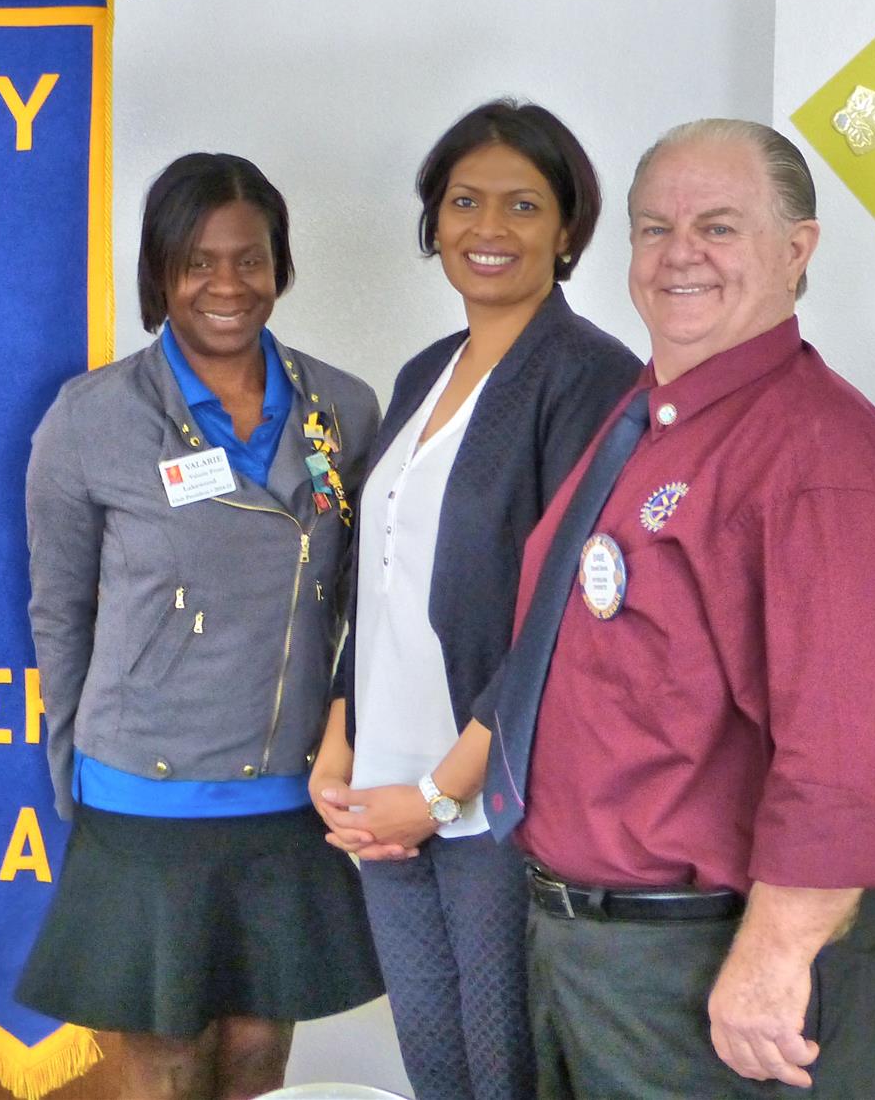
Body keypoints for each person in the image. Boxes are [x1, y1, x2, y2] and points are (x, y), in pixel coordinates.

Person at [497, 119, 875, 1099]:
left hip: (718, 967)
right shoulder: (650, 423)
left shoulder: (822, 457)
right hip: (598, 957)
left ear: (798, 248)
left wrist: (775, 958)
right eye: (655, 228)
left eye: (720, 227)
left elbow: (851, 749)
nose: (679, 254)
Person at [19, 152, 385, 1100]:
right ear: (160, 273)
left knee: (259, 1054)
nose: (228, 285)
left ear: (280, 266)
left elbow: (368, 602)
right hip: (145, 795)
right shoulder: (91, 419)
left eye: (250, 259)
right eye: (198, 263)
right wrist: (73, 766)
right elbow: (59, 611)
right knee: (169, 1059)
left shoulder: (344, 409)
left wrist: (347, 742)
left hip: (288, 792)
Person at [310, 101, 640, 1100]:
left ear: (569, 229)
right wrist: (340, 741)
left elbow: (563, 620)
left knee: (506, 1072)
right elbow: (376, 575)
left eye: (523, 205)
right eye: (464, 201)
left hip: (491, 802)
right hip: (383, 791)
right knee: (436, 1069)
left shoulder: (591, 376)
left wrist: (442, 793)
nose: (488, 228)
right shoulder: (424, 372)